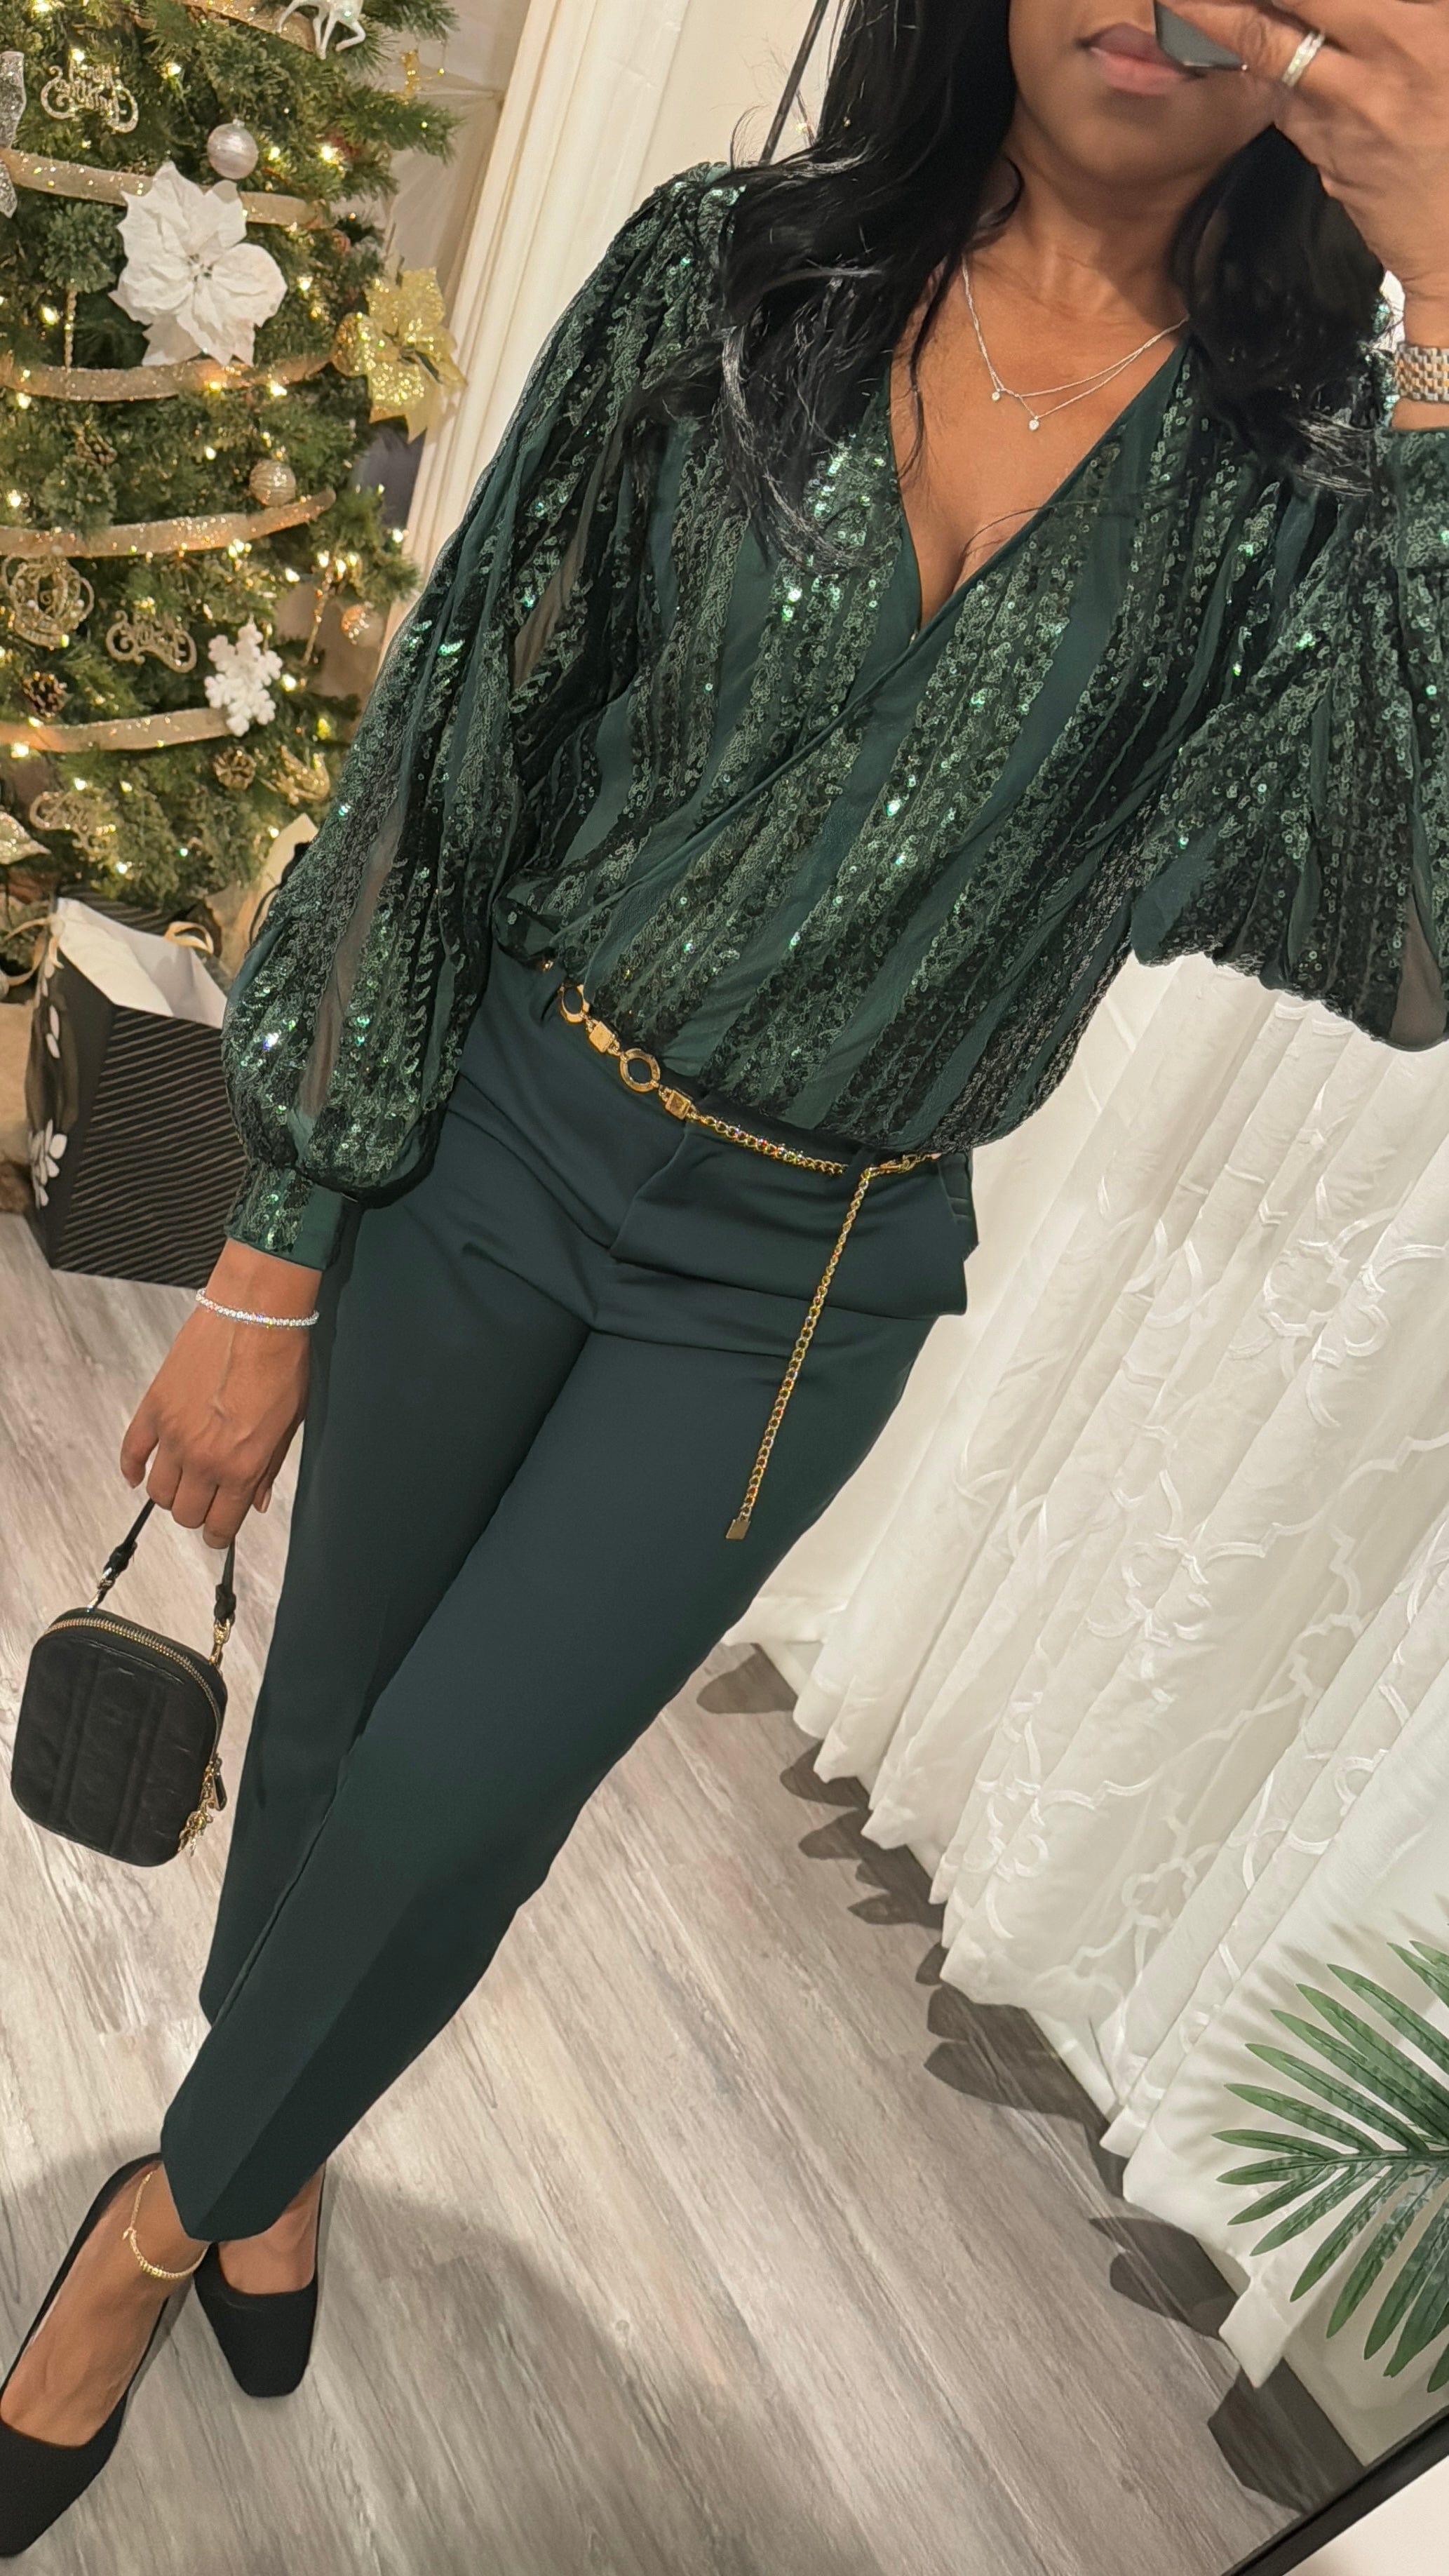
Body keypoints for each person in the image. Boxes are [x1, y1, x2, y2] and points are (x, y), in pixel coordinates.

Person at [6, 0, 1449, 2550]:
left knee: (458, 1801)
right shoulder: (732, 276)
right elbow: (451, 746)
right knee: (329, 1731)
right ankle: (278, 2153)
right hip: (496, 1118)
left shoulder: (1303, 480)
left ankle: (157, 2219)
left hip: (798, 1264)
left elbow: (1405, 909)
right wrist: (268, 1249)